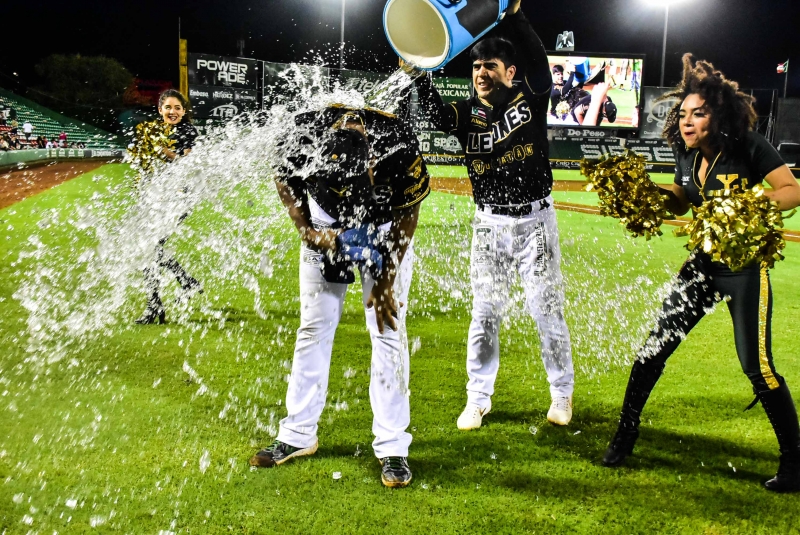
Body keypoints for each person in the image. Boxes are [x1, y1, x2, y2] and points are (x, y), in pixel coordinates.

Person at [602, 54, 800, 493]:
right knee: (654, 347)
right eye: (684, 114)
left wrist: (747, 207)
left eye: (699, 113)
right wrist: (645, 196)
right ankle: (625, 434)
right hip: (704, 264)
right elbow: (681, 197)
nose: (687, 122)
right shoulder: (685, 153)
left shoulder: (747, 144)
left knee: (758, 365)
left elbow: (791, 190)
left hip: (745, 267)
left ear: (719, 113)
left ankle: (794, 463)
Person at [249, 105, 431, 489]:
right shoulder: (301, 136)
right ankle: (297, 434)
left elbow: (408, 212)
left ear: (371, 157)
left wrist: (387, 276)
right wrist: (309, 233)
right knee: (314, 326)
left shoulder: (398, 144)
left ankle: (393, 446)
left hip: (383, 231)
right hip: (324, 227)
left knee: (387, 329)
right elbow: (284, 181)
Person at [416, 0, 575, 430]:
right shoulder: (469, 113)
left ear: (510, 72)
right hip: (489, 224)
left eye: (491, 66)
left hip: (535, 222)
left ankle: (561, 393)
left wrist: (516, 15)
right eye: (476, 67)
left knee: (546, 309)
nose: (482, 73)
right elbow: (432, 113)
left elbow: (539, 62)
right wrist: (419, 69)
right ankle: (477, 398)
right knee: (485, 312)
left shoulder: (532, 96)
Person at [131, 89, 202, 324]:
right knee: (147, 249)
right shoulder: (152, 130)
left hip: (180, 197)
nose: (173, 111)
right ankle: (168, 294)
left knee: (150, 247)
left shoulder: (189, 131)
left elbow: (187, 163)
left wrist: (163, 150)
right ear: (160, 109)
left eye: (177, 108)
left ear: (183, 111)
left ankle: (159, 302)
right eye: (168, 107)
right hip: (157, 197)